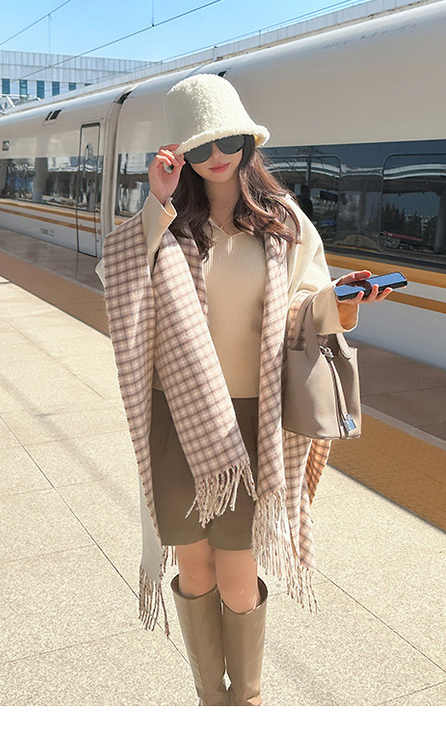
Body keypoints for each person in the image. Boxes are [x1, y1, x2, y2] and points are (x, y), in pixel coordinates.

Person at [100, 73, 391, 705]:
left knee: (237, 572)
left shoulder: (284, 223)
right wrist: (157, 202)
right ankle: (211, 699)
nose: (216, 156)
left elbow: (304, 307)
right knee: (194, 567)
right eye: (199, 146)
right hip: (179, 417)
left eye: (227, 140)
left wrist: (342, 301)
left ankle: (249, 700)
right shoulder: (167, 224)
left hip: (255, 421)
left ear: (247, 140)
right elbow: (118, 275)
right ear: (180, 154)